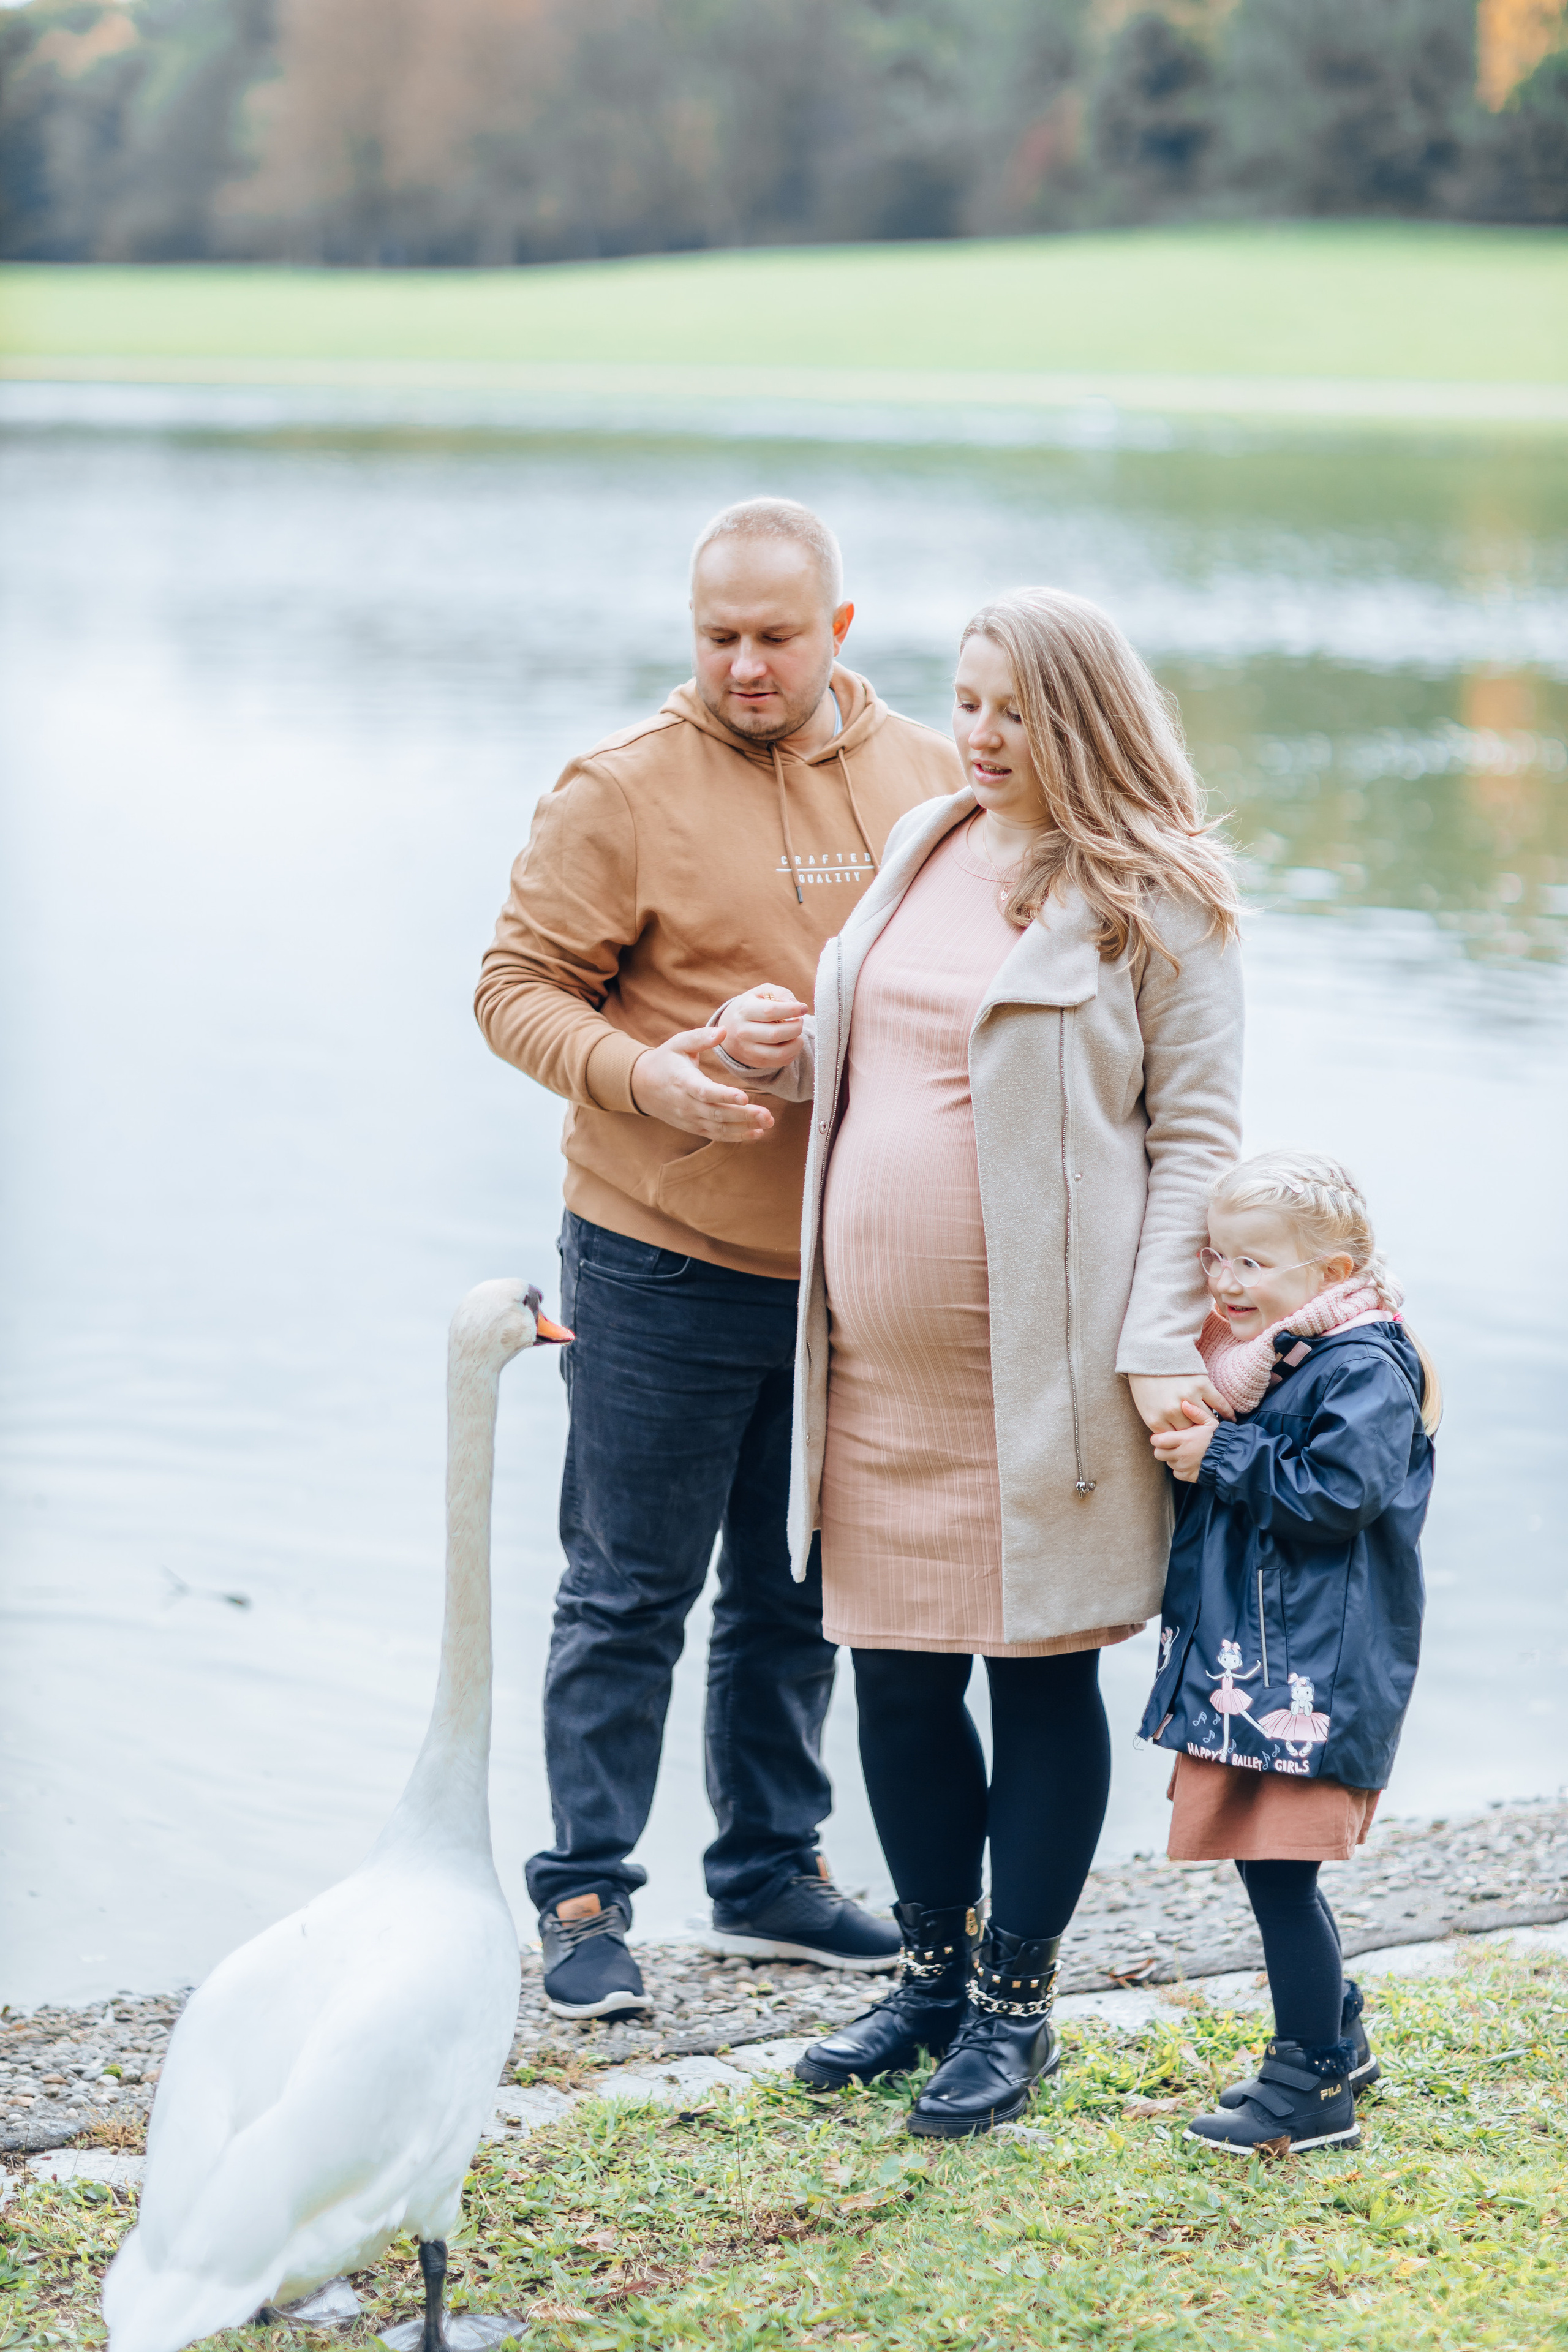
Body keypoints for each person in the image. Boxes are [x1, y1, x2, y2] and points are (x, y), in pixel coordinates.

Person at [720, 586, 1245, 2135]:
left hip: (1045, 1379)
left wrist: (1158, 1348)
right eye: (962, 702)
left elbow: (1196, 1141)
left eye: (1011, 709)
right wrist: (788, 1047)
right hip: (870, 1371)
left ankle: (1018, 2010)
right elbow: (897, 1046)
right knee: (889, 1677)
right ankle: (930, 1979)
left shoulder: (1162, 897)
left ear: (1081, 715)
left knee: (1034, 1680)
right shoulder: (926, 843)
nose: (978, 735)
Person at [473, 497, 963, 2018]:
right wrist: (653, 1072)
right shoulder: (617, 789)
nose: (743, 667)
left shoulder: (932, 781)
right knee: (626, 1587)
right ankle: (583, 1900)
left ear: (838, 629)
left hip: (843, 1267)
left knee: (796, 1588)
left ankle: (766, 1876)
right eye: (716, 638)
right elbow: (512, 989)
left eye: (772, 637)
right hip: (655, 1255)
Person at [1136, 1150, 1438, 2157]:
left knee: (1280, 1871)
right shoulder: (1287, 1357)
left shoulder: (1366, 1364)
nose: (1226, 1281)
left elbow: (1337, 1497)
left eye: (1254, 1264)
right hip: (1265, 1661)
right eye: (1217, 1257)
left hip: (1314, 1671)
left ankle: (1310, 2082)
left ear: (1329, 1271)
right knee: (1273, 1868)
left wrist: (1220, 1454)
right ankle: (1338, 2035)